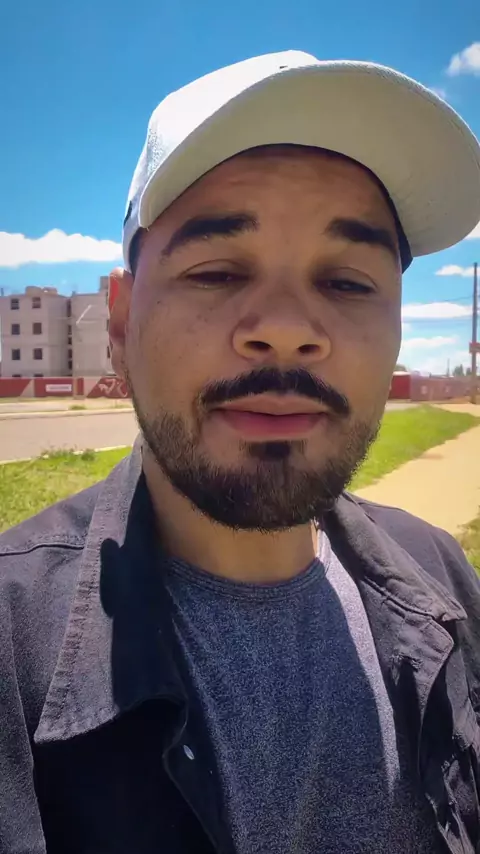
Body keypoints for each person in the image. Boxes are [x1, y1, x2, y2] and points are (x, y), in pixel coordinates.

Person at [1, 50, 480, 854]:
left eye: (348, 281)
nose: (287, 329)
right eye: (218, 271)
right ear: (119, 322)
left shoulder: (445, 580)